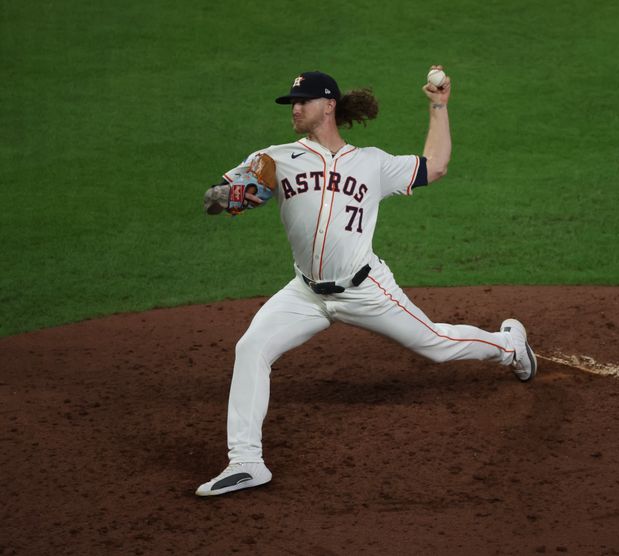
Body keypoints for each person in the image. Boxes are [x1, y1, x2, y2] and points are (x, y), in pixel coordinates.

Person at [196, 66, 537, 496]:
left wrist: (438, 106)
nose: (295, 108)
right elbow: (218, 199)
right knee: (251, 348)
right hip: (304, 292)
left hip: (365, 288)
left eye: (303, 101)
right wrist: (225, 197)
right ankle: (246, 462)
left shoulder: (371, 163)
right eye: (292, 103)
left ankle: (510, 347)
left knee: (435, 344)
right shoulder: (274, 158)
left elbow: (436, 167)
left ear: (329, 106)